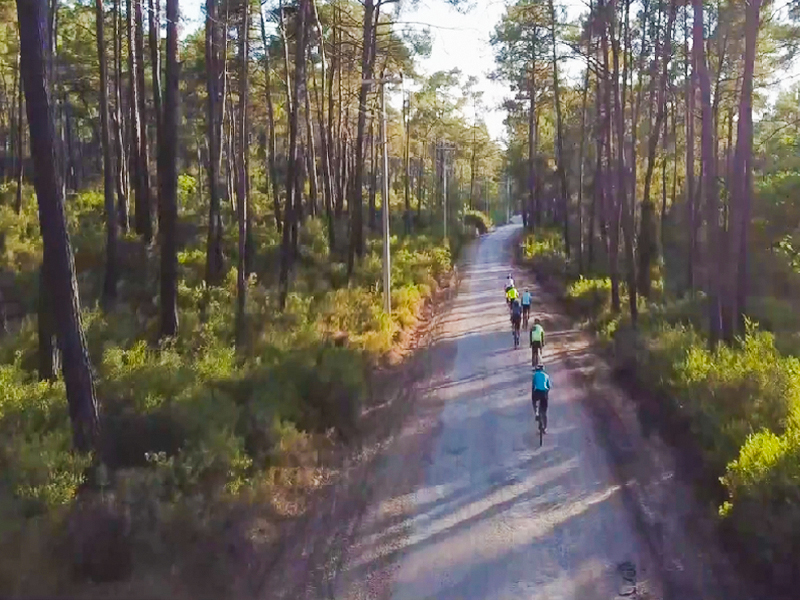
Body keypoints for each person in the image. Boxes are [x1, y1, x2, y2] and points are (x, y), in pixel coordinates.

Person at [532, 364, 551, 431]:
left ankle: (536, 412)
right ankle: (545, 428)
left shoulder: (535, 375)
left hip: (537, 392)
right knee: (544, 412)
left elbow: (534, 385)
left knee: (534, 401)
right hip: (544, 393)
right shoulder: (547, 375)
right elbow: (549, 387)